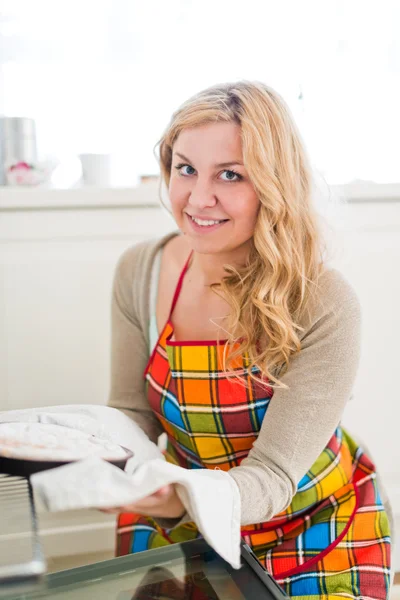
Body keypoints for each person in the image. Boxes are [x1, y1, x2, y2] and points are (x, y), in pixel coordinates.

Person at [107, 81, 391, 599]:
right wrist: (90, 452)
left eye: (230, 175)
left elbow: (274, 475)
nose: (197, 198)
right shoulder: (141, 272)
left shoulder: (323, 301)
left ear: (273, 184)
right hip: (184, 518)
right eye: (186, 168)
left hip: (311, 526)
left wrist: (178, 496)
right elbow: (131, 413)